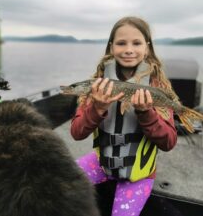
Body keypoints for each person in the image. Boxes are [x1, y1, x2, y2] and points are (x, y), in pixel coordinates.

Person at [71, 16, 177, 216]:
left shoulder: (157, 86)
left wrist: (146, 113)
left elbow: (169, 142)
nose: (129, 49)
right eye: (121, 43)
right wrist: (97, 108)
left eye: (136, 43)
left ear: (147, 47)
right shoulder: (97, 85)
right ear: (111, 47)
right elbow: (77, 133)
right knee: (57, 182)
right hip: (102, 162)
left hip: (138, 174)